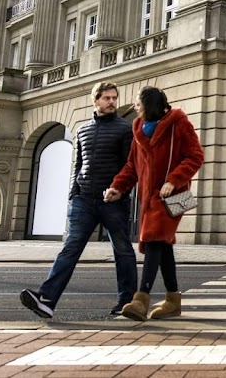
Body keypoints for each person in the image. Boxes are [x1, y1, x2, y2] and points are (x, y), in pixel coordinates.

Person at [20, 81, 137, 319]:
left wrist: (120, 190)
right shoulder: (82, 130)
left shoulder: (125, 129)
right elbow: (79, 165)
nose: (112, 102)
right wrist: (73, 194)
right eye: (107, 98)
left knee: (123, 250)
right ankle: (47, 300)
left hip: (113, 200)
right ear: (95, 101)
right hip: (83, 200)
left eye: (114, 98)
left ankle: (127, 303)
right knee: (70, 249)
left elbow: (131, 165)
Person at [104, 86, 204, 320]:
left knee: (152, 241)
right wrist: (117, 187)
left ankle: (141, 300)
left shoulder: (178, 122)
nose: (135, 107)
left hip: (172, 197)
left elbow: (195, 155)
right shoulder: (138, 128)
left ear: (148, 104)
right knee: (162, 246)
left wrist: (174, 180)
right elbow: (132, 166)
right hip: (148, 198)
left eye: (138, 102)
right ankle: (172, 300)